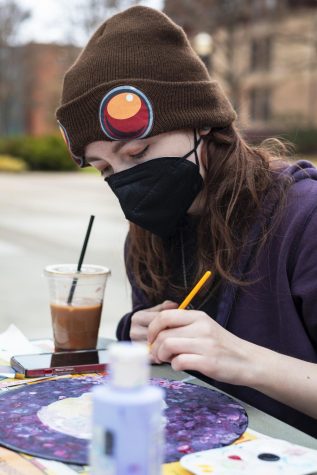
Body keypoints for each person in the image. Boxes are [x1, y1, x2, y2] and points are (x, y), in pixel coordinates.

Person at [56, 6, 317, 437]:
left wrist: (244, 360)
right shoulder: (147, 236)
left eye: (137, 153)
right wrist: (138, 335)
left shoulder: (304, 219)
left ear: (201, 123)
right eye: (104, 169)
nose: (126, 181)